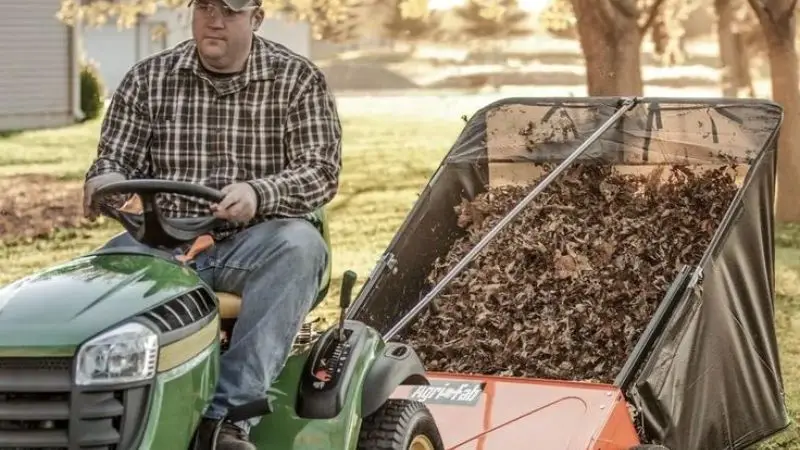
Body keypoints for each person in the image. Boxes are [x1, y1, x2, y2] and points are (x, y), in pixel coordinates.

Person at [81, 0, 342, 448]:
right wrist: (105, 180)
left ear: (256, 18)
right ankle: (97, 414)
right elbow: (113, 161)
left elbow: (320, 171)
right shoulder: (148, 78)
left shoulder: (297, 78)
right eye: (204, 6)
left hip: (258, 242)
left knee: (301, 247)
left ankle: (227, 419)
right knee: (95, 277)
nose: (214, 19)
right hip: (163, 241)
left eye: (230, 10)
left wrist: (260, 193)